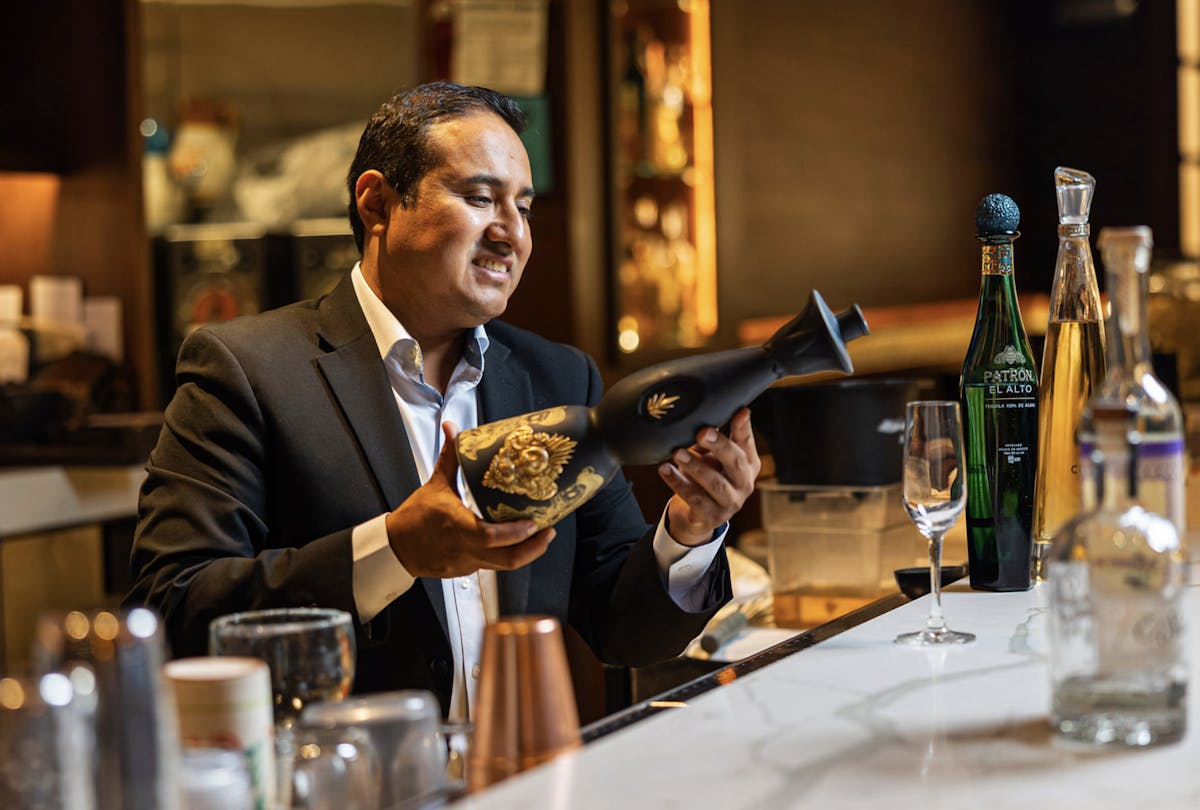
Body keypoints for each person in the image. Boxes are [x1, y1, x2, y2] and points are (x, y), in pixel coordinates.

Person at [126, 82, 760, 720]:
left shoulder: (558, 378)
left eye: (523, 207)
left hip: (521, 765)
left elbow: (623, 630)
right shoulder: (246, 368)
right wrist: (394, 549)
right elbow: (173, 606)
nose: (512, 234)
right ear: (377, 203)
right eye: (480, 198)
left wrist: (689, 531)